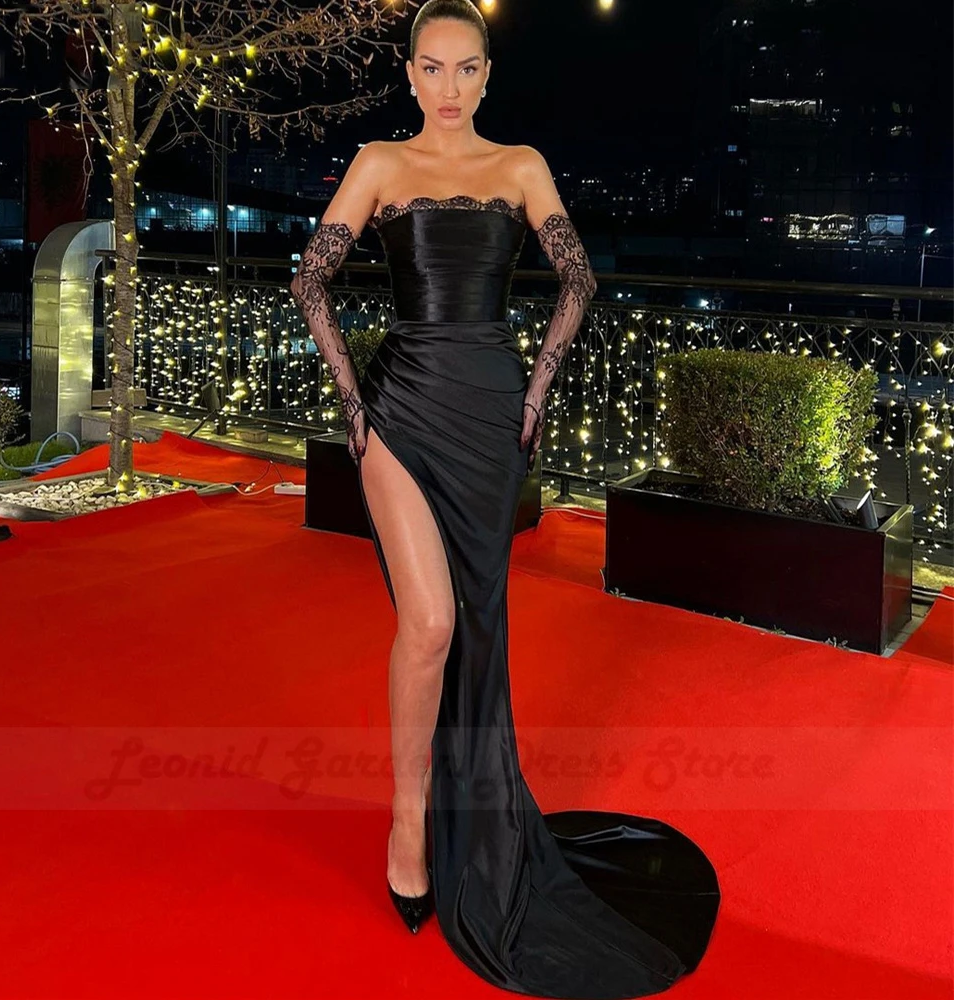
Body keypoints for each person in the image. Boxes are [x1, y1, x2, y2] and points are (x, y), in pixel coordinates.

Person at [289, 2, 720, 996]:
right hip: (398, 409)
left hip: (488, 416)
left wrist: (535, 392)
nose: (448, 87)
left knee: (478, 624)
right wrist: (352, 402)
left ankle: (468, 807)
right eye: (431, 67)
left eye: (466, 68)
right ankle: (408, 820)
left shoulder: (521, 166)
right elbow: (310, 279)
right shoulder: (378, 163)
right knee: (431, 623)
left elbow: (579, 280)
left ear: (488, 75)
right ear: (409, 74)